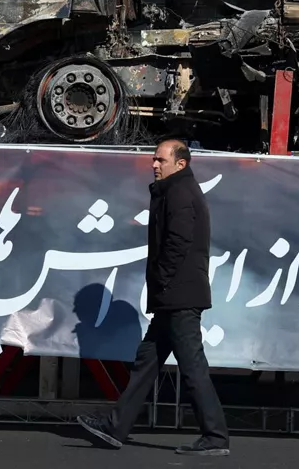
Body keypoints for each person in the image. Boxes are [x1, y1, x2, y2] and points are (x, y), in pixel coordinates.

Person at [77, 138, 230, 456]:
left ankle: (215, 437)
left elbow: (178, 242)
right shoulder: (174, 191)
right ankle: (116, 427)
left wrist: (161, 280)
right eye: (154, 159)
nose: (154, 164)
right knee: (147, 362)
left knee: (192, 367)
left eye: (161, 160)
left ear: (181, 163)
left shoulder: (180, 193)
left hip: (179, 295)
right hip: (173, 295)